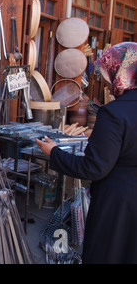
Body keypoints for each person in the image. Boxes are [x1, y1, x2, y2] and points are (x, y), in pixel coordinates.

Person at [35, 42, 137, 264]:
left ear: (121, 72)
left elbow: (93, 167)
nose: (106, 84)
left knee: (109, 253)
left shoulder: (114, 113)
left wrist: (53, 153)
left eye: (108, 76)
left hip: (118, 204)